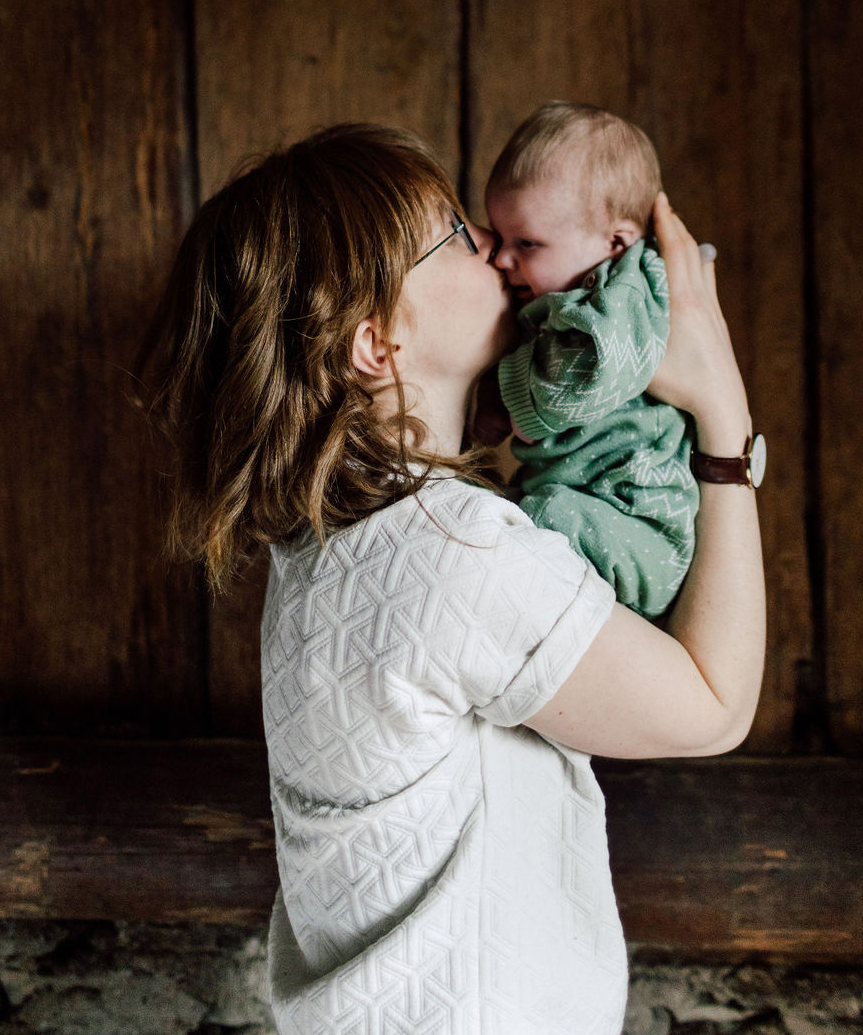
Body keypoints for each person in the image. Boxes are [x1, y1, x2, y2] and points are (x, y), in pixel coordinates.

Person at [134, 122, 765, 1035]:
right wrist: (723, 415)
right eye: (460, 236)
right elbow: (714, 706)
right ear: (376, 343)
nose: (499, 255)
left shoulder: (320, 553)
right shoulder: (457, 552)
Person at [483, 101, 698, 618]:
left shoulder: (626, 294)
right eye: (501, 237)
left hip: (638, 525)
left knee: (526, 519)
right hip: (594, 508)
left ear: (615, 242)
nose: (501, 258)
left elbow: (592, 371)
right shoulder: (575, 292)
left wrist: (508, 397)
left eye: (527, 243)